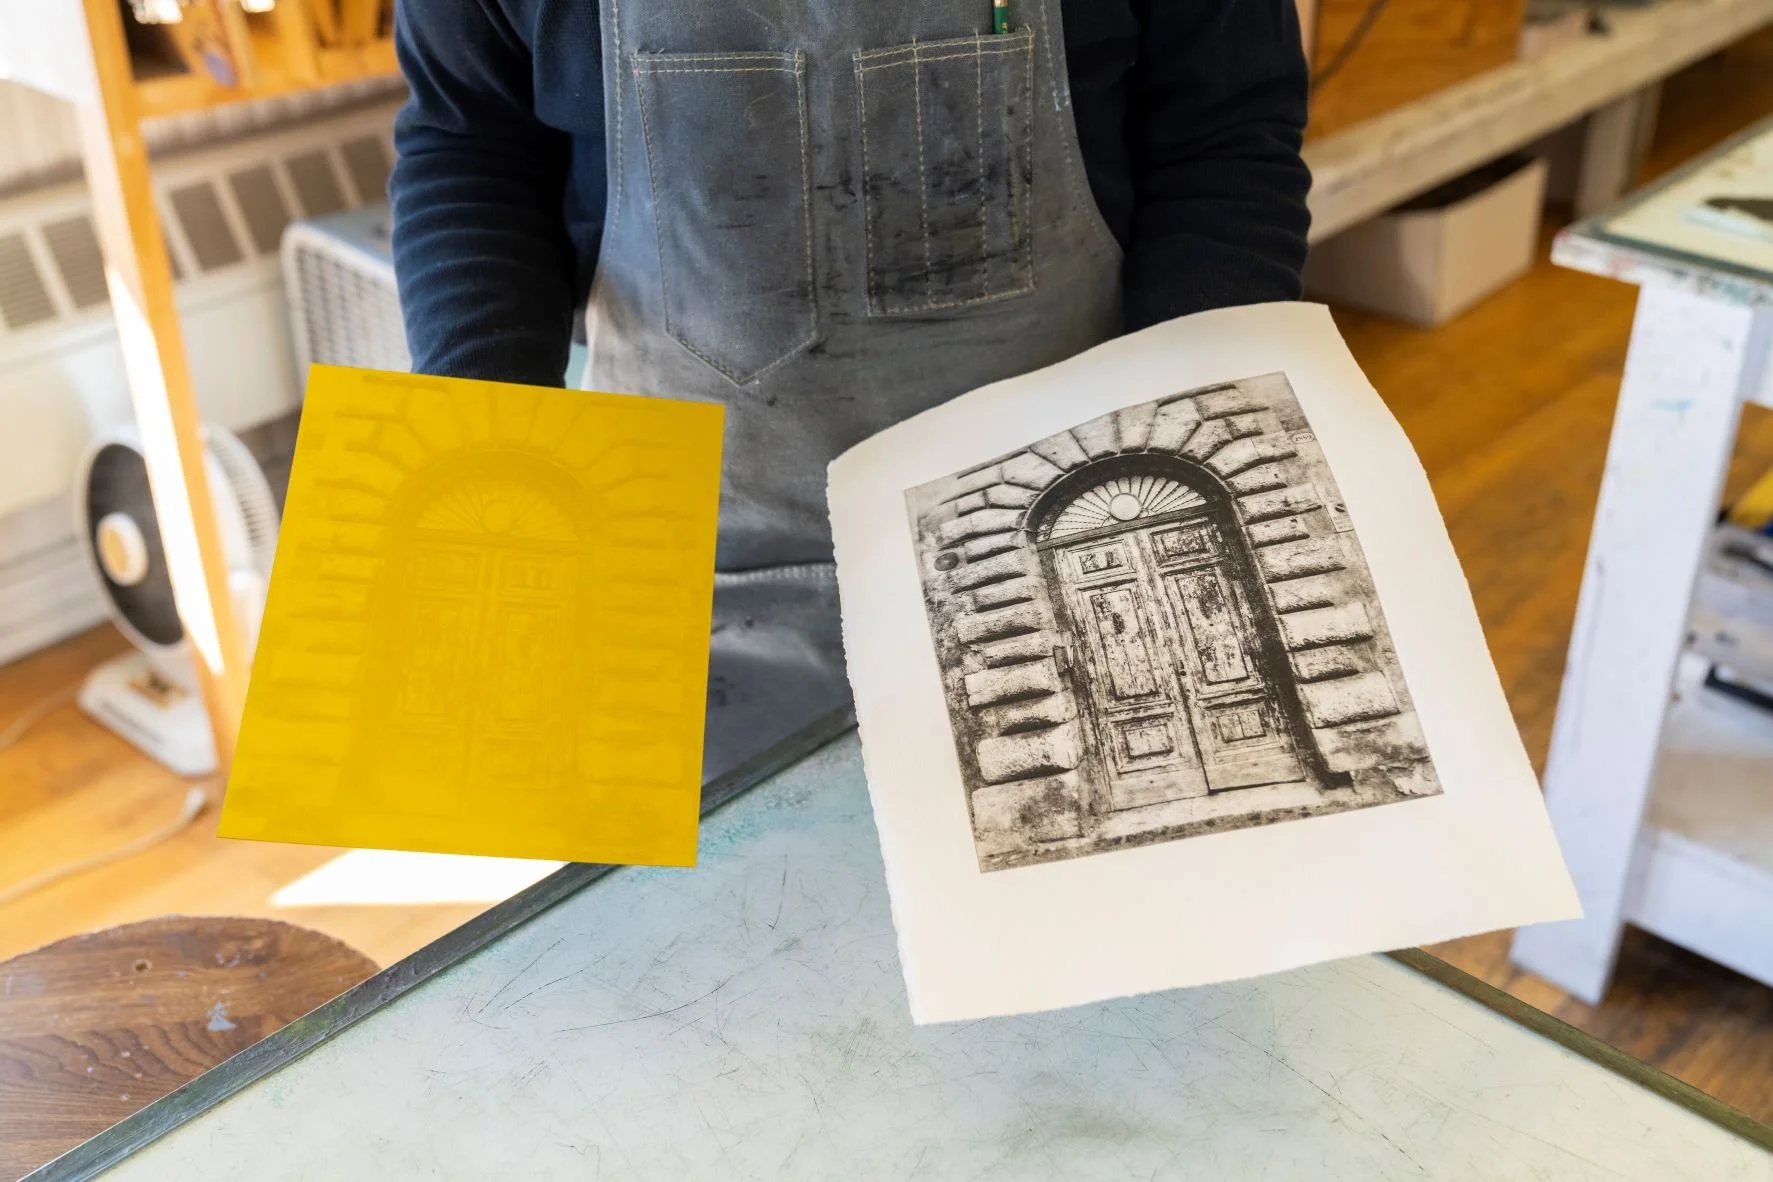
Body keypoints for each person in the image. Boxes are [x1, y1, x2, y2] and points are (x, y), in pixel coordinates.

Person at [390, 0, 1312, 782]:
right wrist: (482, 455)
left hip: (1091, 561)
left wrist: (1195, 466)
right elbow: (473, 145)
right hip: (686, 588)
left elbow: (1220, 133)